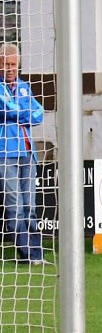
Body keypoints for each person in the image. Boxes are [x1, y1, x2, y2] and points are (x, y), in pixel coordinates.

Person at [0, 43, 46, 264]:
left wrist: (20, 113)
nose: (10, 68)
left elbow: (39, 113)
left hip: (28, 152)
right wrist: (23, 113)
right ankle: (26, 254)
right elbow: (7, 109)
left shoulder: (24, 87)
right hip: (6, 152)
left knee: (30, 206)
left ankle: (36, 254)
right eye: (6, 64)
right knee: (15, 206)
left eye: (13, 64)